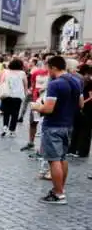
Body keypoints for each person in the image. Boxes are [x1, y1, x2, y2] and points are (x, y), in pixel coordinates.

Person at [31, 55, 81, 204]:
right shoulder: (76, 81)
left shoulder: (55, 84)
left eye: (48, 68)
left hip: (53, 125)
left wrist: (37, 106)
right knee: (63, 158)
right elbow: (80, 105)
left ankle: (58, 194)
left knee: (54, 160)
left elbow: (49, 108)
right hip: (68, 124)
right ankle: (60, 189)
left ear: (53, 67)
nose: (48, 72)